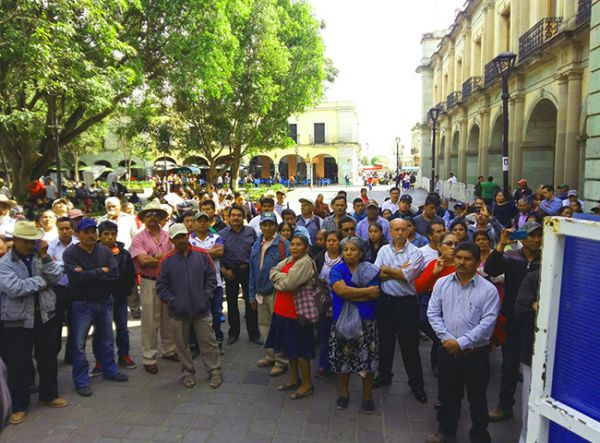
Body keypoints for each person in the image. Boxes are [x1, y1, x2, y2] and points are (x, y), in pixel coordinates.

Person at [426, 242, 500, 443]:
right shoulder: (442, 283)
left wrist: (461, 343)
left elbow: (488, 323)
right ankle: (445, 431)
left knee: (477, 399)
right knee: (448, 395)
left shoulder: (488, 290)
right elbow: (433, 313)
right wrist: (448, 340)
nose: (462, 262)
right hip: (448, 351)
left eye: (467, 259)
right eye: (459, 258)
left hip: (476, 353)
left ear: (477, 262)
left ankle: (479, 436)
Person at [0, 221, 66, 425]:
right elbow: (15, 289)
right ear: (17, 241)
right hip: (17, 320)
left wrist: (46, 257)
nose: (31, 245)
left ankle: (49, 394)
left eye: (34, 241)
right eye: (27, 242)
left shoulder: (41, 258)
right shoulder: (4, 264)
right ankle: (19, 405)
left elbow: (57, 275)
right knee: (18, 363)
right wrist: (43, 282)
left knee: (47, 357)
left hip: (45, 315)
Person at [63, 219, 128, 397]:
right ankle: (82, 381)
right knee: (78, 345)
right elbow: (75, 279)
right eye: (86, 232)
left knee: (107, 340)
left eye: (93, 231)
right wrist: (101, 271)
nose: (91, 235)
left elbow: (114, 274)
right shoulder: (70, 253)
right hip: (82, 304)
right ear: (78, 234)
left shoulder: (105, 251)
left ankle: (110, 371)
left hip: (105, 302)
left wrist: (86, 273)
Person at [484, 221, 542, 422]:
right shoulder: (511, 257)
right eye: (531, 235)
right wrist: (500, 245)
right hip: (512, 319)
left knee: (536, 367)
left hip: (538, 323)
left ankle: (536, 410)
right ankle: (504, 405)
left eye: (539, 235)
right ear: (521, 237)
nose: (535, 240)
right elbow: (491, 269)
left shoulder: (547, 259)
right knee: (509, 364)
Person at [155, 223, 222, 389]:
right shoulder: (166, 260)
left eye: (183, 236)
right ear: (171, 240)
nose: (180, 240)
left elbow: (211, 279)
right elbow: (161, 287)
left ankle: (214, 371)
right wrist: (174, 301)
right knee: (181, 345)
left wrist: (205, 297)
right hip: (178, 312)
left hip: (201, 309)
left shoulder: (201, 255)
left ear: (187, 236)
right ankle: (188, 373)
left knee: (208, 341)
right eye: (176, 237)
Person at [374, 219, 426, 403]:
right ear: (390, 231)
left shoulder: (416, 252)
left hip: (406, 304)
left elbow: (408, 276)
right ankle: (384, 375)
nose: (400, 233)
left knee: (409, 346)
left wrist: (388, 269)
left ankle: (417, 384)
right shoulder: (383, 250)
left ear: (409, 230)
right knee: (385, 342)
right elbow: (376, 274)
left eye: (404, 229)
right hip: (386, 302)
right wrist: (399, 271)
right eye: (396, 229)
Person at [329, 237, 380, 414]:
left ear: (361, 252)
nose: (348, 252)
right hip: (342, 321)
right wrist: (365, 291)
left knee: (368, 361)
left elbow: (375, 294)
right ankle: (344, 391)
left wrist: (350, 294)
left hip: (366, 321)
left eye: (353, 249)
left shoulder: (370, 270)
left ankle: (367, 396)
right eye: (345, 249)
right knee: (343, 358)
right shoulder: (337, 269)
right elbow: (341, 291)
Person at [130, 201, 177, 374]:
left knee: (168, 318)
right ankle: (149, 357)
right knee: (150, 320)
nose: (152, 218)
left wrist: (155, 257)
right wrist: (163, 257)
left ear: (162, 218)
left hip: (167, 282)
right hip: (149, 282)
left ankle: (169, 350)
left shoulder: (168, 235)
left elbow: (175, 256)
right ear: (143, 219)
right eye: (148, 215)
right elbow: (143, 261)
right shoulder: (139, 237)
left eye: (156, 214)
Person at [267, 235, 316, 400]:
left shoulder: (305, 262)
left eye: (299, 245)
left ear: (306, 248)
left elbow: (289, 285)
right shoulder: (289, 259)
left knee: (301, 350)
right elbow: (272, 271)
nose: (294, 247)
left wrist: (279, 280)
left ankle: (307, 384)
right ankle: (294, 378)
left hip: (298, 314)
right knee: (290, 349)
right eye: (293, 244)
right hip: (282, 312)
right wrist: (281, 279)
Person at [90, 221, 137, 375]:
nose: (110, 237)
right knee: (101, 331)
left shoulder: (123, 253)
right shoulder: (92, 252)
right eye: (106, 234)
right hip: (100, 298)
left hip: (120, 298)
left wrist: (124, 291)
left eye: (113, 234)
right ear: (100, 235)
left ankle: (124, 355)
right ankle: (99, 360)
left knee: (122, 329)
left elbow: (130, 275)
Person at [249, 212, 291, 377]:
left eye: (270, 224)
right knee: (264, 326)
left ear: (275, 226)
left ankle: (281, 361)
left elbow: (289, 269)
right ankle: (271, 355)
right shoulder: (256, 243)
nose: (267, 227)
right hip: (260, 292)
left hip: (276, 293)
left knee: (278, 327)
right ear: (260, 226)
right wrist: (251, 294)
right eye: (264, 224)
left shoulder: (283, 244)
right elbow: (252, 271)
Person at [416, 232, 459, 378]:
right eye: (449, 244)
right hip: (431, 301)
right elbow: (419, 287)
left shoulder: (463, 265)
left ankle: (439, 364)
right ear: (440, 247)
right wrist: (434, 273)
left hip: (453, 305)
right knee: (435, 332)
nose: (453, 247)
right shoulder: (434, 264)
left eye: (456, 244)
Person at [219, 204, 260, 345]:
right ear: (229, 217)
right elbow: (219, 255)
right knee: (231, 303)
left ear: (244, 217)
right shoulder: (222, 234)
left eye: (239, 215)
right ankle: (233, 333)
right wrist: (224, 270)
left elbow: (256, 252)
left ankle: (253, 333)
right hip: (231, 272)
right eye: (233, 215)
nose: (236, 218)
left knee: (251, 302)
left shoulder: (250, 232)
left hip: (248, 271)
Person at [189, 211, 225, 349]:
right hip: (195, 284)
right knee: (195, 314)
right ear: (194, 223)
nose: (203, 223)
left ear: (209, 223)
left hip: (215, 283)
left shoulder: (216, 237)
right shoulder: (188, 239)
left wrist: (196, 252)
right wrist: (210, 252)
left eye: (205, 220)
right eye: (199, 220)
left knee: (216, 313)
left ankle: (218, 339)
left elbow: (220, 252)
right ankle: (195, 343)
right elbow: (187, 256)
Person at [48, 217, 78, 365]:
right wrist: (70, 265)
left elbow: (81, 266)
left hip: (74, 288)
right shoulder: (51, 245)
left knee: (74, 323)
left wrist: (57, 264)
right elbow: (48, 266)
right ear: (57, 229)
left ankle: (71, 356)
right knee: (55, 323)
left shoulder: (79, 245)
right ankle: (53, 353)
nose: (65, 231)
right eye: (62, 229)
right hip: (56, 289)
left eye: (67, 228)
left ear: (72, 229)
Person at [515, 270, 540, 443]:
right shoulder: (534, 278)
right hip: (532, 349)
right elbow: (521, 310)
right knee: (529, 399)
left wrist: (538, 306)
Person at [313, 230, 343, 376]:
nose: (331, 243)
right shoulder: (319, 259)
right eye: (329, 241)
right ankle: (323, 364)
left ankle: (338, 362)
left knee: (339, 335)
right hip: (323, 304)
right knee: (325, 335)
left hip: (341, 303)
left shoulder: (345, 259)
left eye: (334, 240)